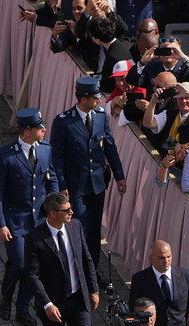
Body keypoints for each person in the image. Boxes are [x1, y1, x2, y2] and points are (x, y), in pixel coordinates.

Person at [0, 108, 58, 326]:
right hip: (15, 221)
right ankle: (6, 295)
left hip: (38, 220)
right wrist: (0, 224)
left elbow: (51, 178)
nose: (44, 130)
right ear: (27, 132)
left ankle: (22, 308)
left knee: (33, 266)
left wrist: (56, 206)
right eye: (40, 128)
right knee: (19, 263)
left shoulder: (45, 150)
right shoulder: (6, 157)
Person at [50, 76, 125, 264]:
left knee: (94, 230)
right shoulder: (64, 122)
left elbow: (110, 147)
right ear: (83, 99)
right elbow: (56, 157)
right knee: (79, 228)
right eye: (95, 97)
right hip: (76, 186)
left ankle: (92, 270)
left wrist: (119, 176)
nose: (99, 100)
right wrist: (61, 184)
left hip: (98, 185)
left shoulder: (100, 117)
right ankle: (77, 268)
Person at [24, 191, 99, 326]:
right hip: (54, 305)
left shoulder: (76, 227)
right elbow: (32, 276)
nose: (71, 212)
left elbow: (86, 259)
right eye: (66, 210)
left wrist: (94, 289)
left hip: (78, 300)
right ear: (52, 213)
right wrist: (47, 304)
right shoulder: (35, 238)